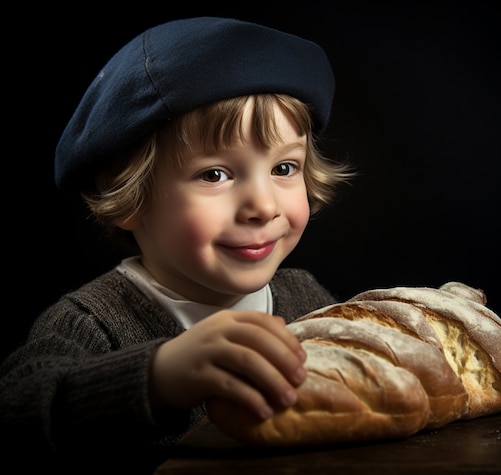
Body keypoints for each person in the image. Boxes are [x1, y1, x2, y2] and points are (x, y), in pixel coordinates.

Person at [0, 16, 354, 472]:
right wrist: (155, 378)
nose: (263, 207)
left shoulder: (306, 297)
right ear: (130, 197)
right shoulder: (91, 324)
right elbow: (18, 410)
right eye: (215, 174)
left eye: (284, 168)